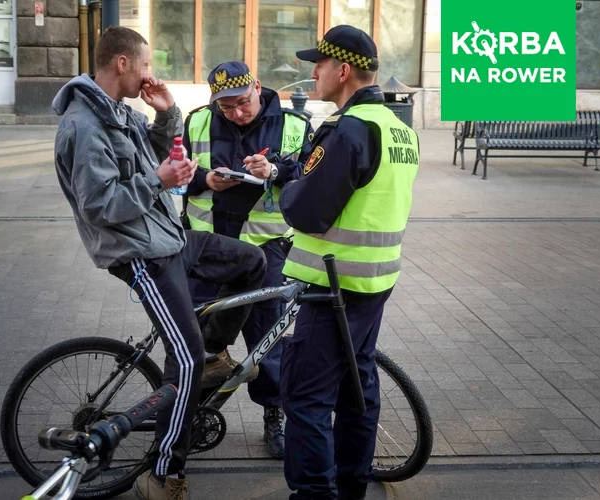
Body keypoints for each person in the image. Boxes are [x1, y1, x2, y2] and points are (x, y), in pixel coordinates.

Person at [51, 26, 266, 500]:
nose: (151, 74)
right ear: (123, 64)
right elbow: (99, 205)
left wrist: (167, 114)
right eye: (146, 65)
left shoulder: (115, 112)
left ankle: (210, 357)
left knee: (251, 264)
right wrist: (159, 180)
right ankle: (162, 473)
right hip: (140, 254)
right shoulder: (84, 125)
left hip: (170, 238)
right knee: (183, 358)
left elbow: (148, 154)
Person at [278, 25, 420, 499]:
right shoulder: (398, 128)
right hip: (374, 283)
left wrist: (288, 186)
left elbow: (306, 211)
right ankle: (352, 484)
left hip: (330, 287)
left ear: (342, 70)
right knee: (357, 390)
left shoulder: (349, 130)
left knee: (306, 399)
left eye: (317, 64)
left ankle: (315, 494)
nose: (312, 72)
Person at [181, 60, 313, 458]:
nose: (236, 113)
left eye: (242, 103)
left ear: (258, 87)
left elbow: (310, 176)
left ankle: (274, 416)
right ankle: (190, 417)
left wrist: (276, 169)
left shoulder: (294, 125)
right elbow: (173, 172)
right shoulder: (197, 122)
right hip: (208, 248)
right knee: (197, 342)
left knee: (267, 340)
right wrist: (205, 179)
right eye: (226, 108)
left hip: (265, 250)